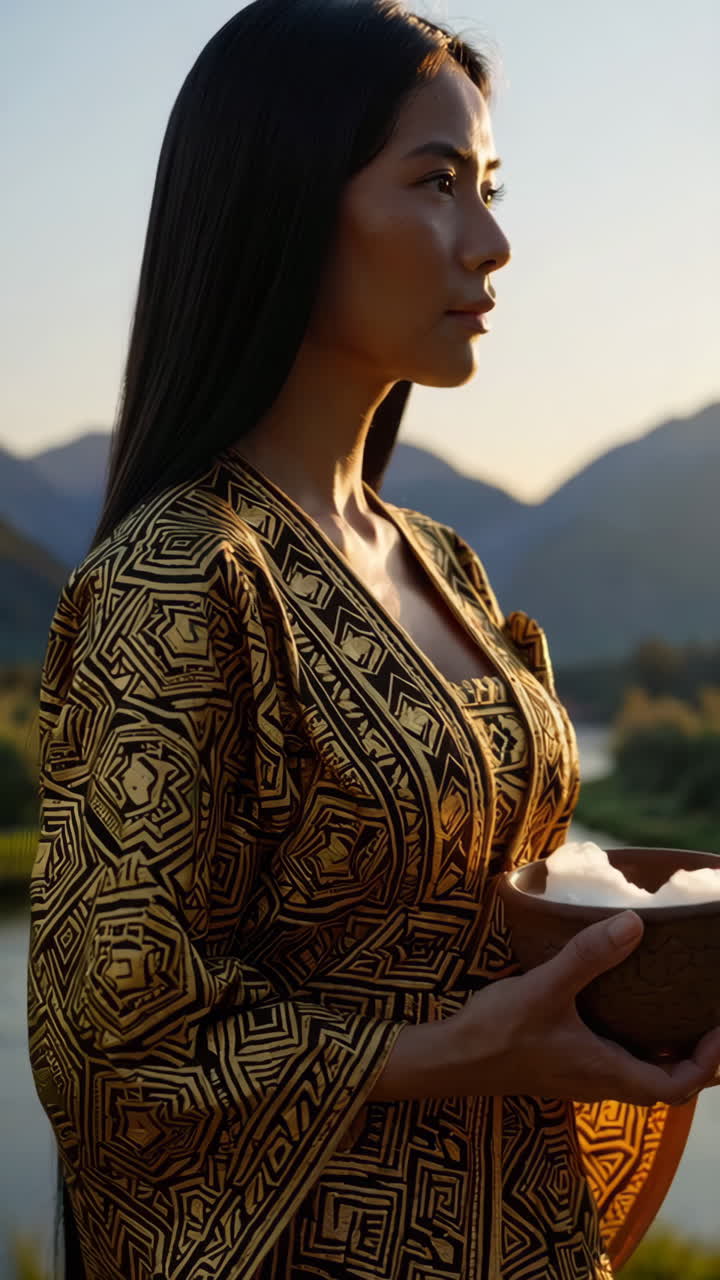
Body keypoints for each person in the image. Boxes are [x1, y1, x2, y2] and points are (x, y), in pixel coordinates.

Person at [26, 2, 720, 1277]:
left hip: (532, 1236)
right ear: (284, 201)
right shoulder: (182, 573)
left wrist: (650, 979)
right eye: (438, 183)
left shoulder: (444, 564)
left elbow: (497, 900)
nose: (494, 242)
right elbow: (107, 1047)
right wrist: (469, 1047)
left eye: (491, 186)